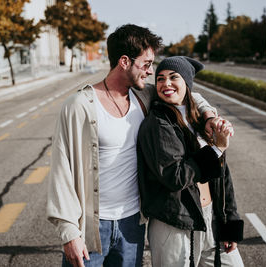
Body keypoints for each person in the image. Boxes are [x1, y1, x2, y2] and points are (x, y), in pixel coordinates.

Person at [46, 24, 226, 267]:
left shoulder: (143, 97)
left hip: (132, 224)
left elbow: (186, 92)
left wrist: (209, 116)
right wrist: (69, 233)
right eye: (147, 64)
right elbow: (61, 171)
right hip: (90, 227)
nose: (151, 72)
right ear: (124, 61)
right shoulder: (79, 105)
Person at [137, 56, 244, 267]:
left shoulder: (200, 119)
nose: (166, 83)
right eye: (160, 78)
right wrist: (216, 149)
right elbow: (174, 176)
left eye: (173, 77)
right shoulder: (157, 123)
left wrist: (229, 223)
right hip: (174, 224)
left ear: (186, 83)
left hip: (210, 218)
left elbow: (223, 176)